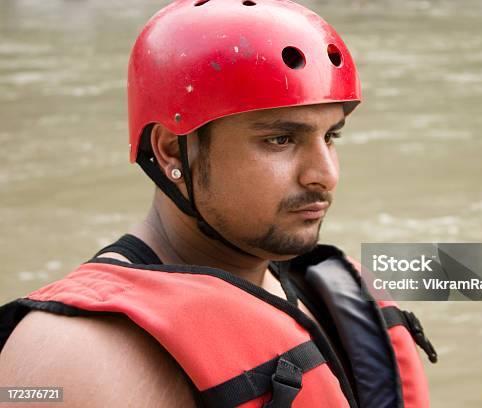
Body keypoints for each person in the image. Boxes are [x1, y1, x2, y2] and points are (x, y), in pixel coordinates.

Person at [0, 0, 435, 406]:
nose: (324, 174)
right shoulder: (71, 354)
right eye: (280, 139)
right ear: (172, 150)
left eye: (330, 136)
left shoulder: (322, 288)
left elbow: (469, 273)